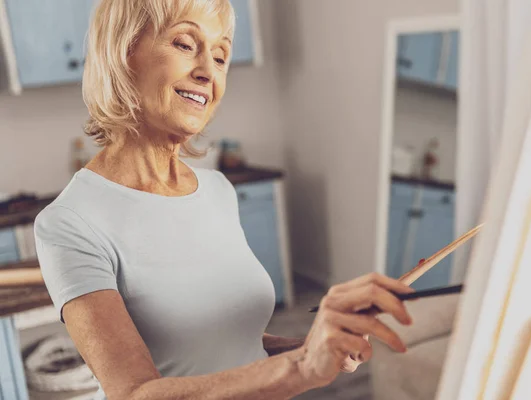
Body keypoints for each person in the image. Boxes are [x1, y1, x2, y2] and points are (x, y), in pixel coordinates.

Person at [34, 1, 413, 399]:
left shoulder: (216, 190)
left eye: (220, 56)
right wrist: (301, 367)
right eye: (184, 44)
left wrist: (314, 346)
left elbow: (218, 344)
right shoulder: (70, 222)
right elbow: (134, 392)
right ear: (122, 53)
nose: (207, 71)